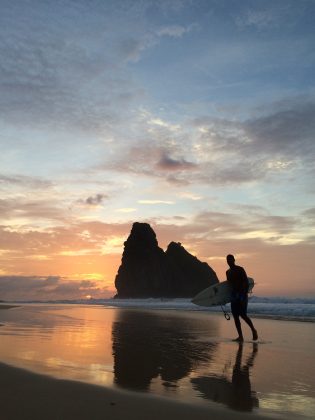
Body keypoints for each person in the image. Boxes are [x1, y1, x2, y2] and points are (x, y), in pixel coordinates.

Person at [226, 254, 258, 342]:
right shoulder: (228, 272)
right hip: (233, 295)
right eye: (227, 260)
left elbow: (246, 282)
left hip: (242, 294)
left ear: (234, 260)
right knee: (235, 316)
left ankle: (253, 330)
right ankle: (240, 336)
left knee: (243, 315)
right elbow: (229, 285)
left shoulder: (240, 269)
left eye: (230, 259)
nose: (229, 261)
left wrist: (243, 294)